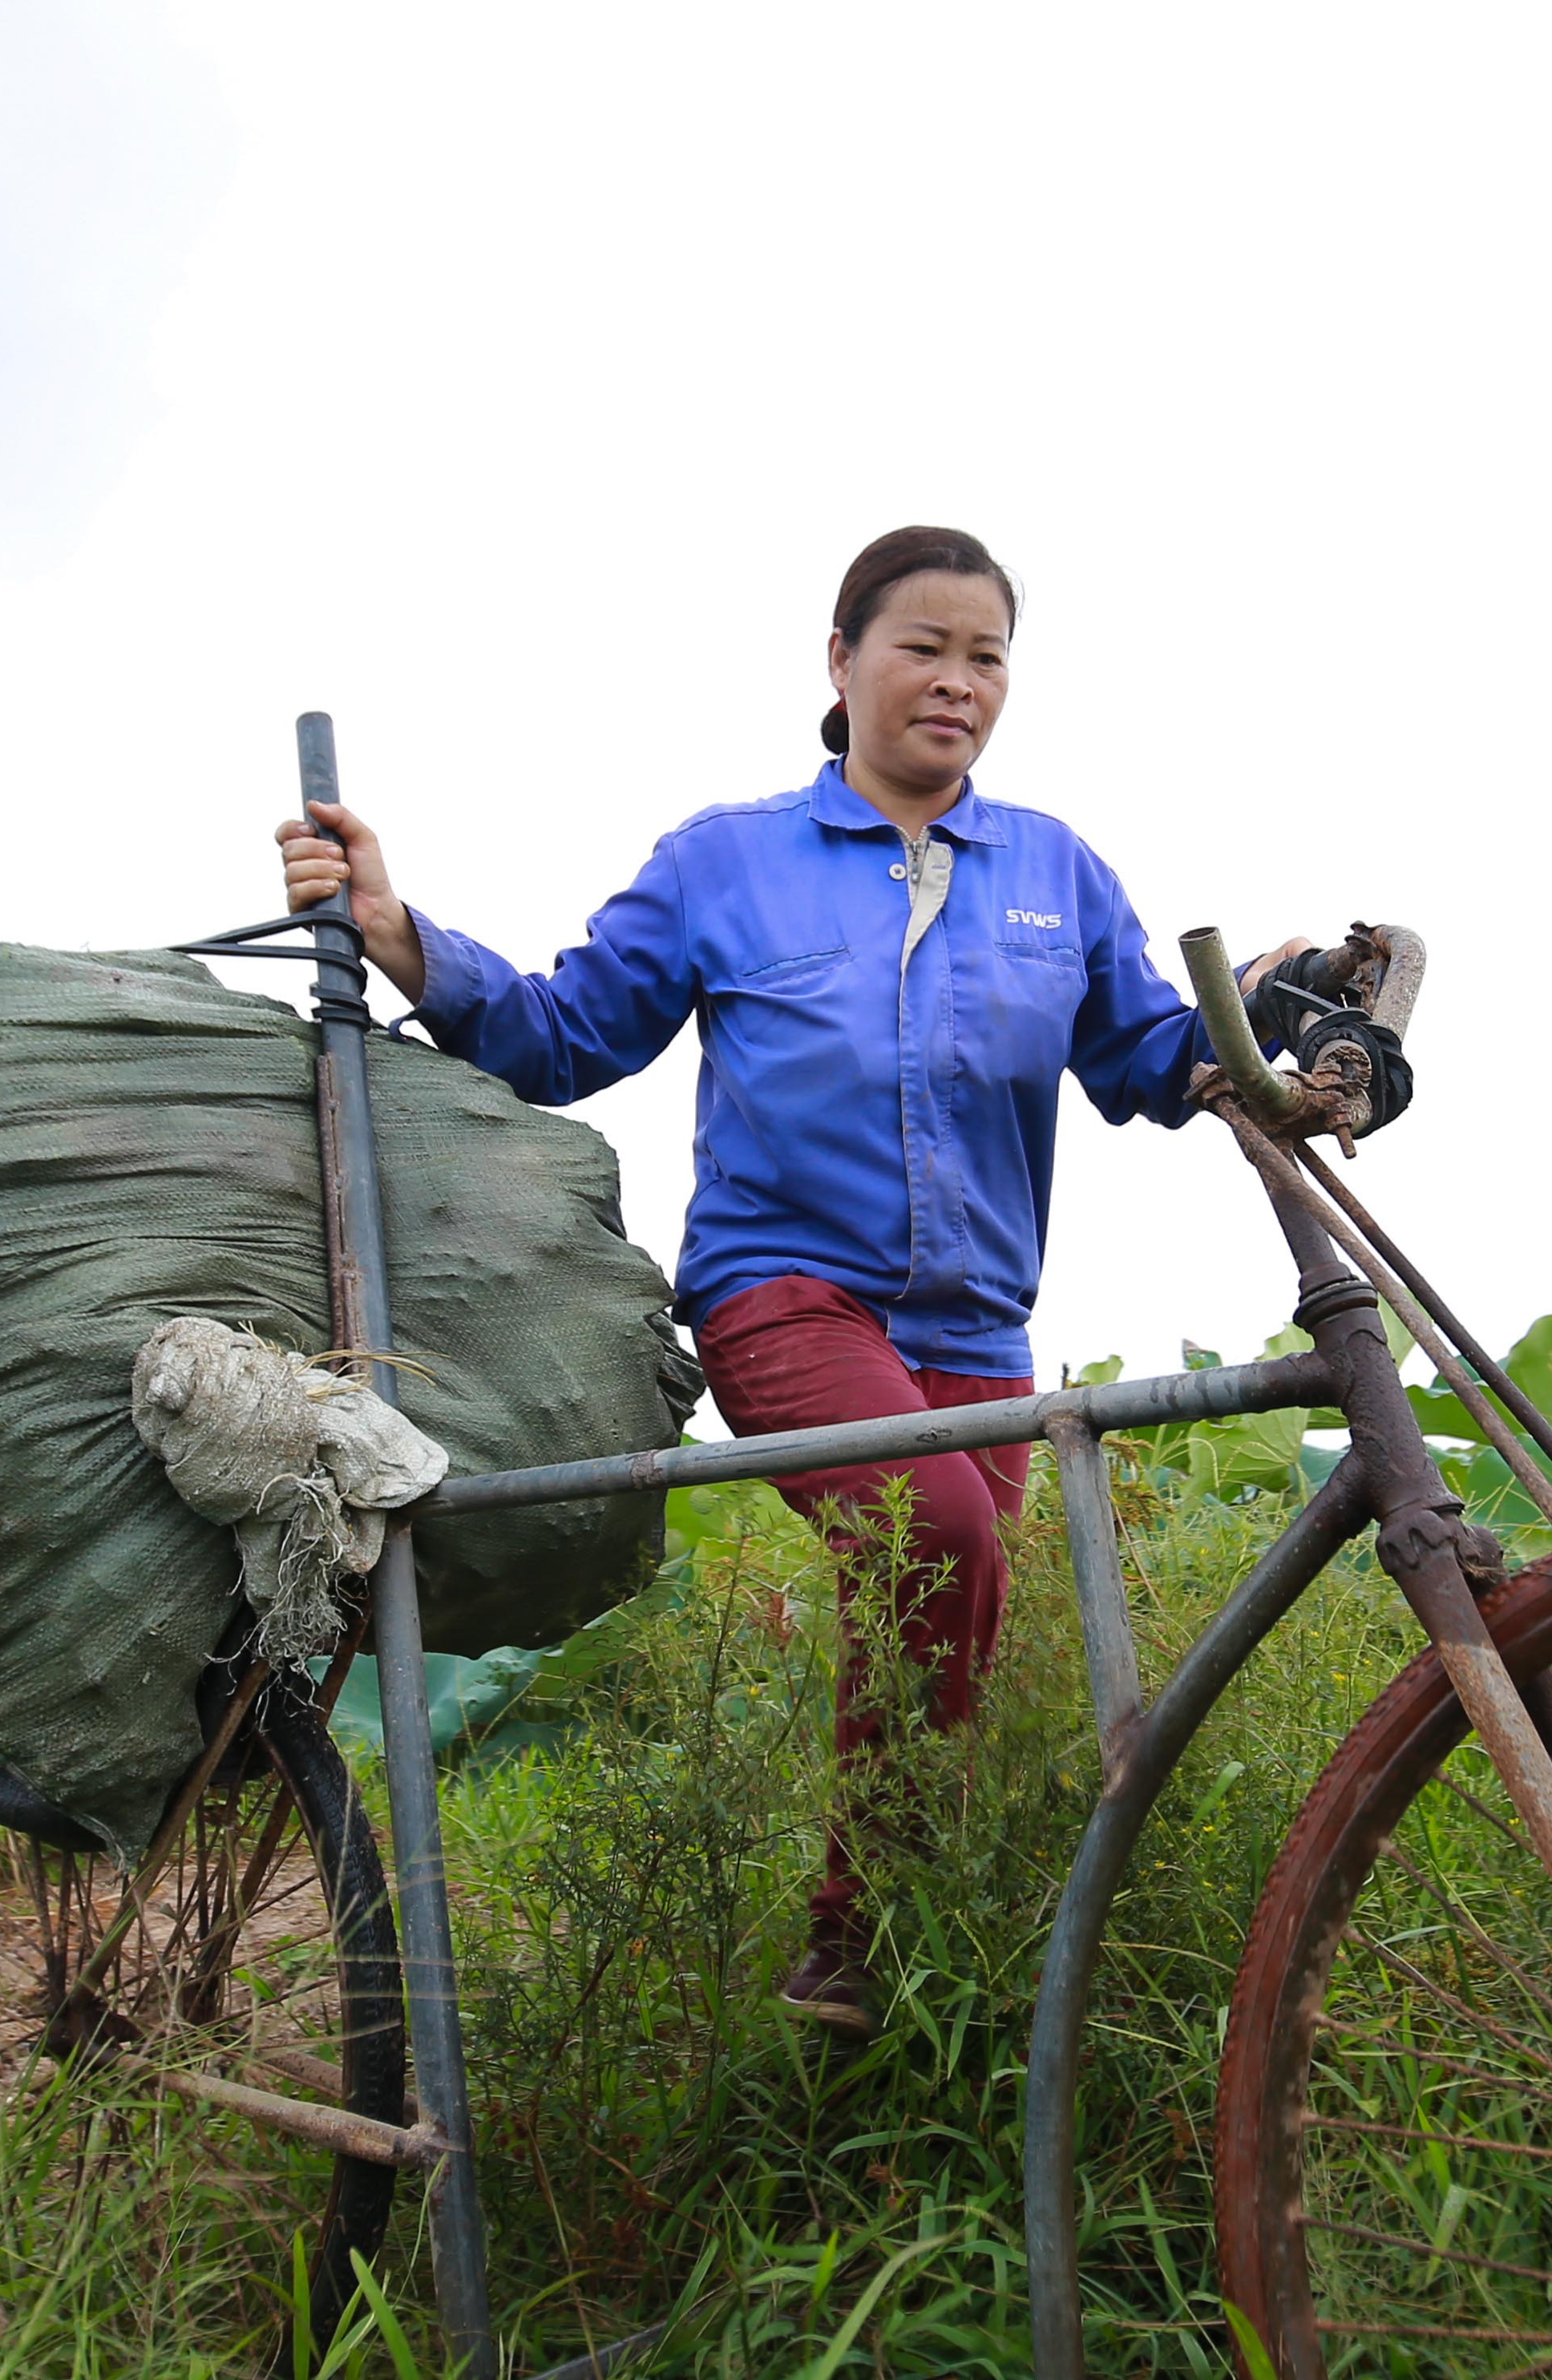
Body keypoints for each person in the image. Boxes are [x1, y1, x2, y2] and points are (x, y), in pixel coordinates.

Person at [277, 526, 1308, 2034]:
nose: (957, 681)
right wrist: (404, 938)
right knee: (940, 1533)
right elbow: (567, 1035)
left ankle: (906, 1980)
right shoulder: (727, 860)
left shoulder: (1057, 873)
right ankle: (859, 1943)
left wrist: (1258, 1021)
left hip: (975, 1326)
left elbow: (1151, 1057)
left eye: (988, 657)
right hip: (785, 1293)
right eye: (924, 647)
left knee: (942, 1611)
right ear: (841, 663)